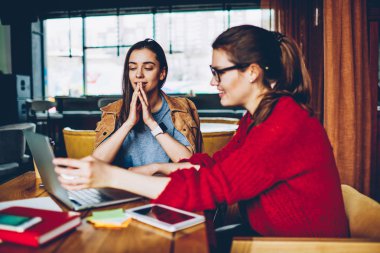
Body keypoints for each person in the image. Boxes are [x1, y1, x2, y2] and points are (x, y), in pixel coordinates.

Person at [54, 25, 349, 239]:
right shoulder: (258, 117)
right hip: (266, 236)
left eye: (219, 72)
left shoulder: (284, 123)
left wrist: (111, 176)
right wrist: (157, 167)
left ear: (252, 72)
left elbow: (211, 188)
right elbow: (214, 165)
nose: (213, 82)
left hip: (299, 247)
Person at [92, 39, 202, 168]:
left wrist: (151, 122)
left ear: (162, 73)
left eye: (148, 68)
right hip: (123, 185)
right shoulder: (113, 111)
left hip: (166, 185)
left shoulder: (181, 109)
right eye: (132, 68)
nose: (138, 74)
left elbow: (190, 164)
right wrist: (129, 123)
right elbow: (96, 163)